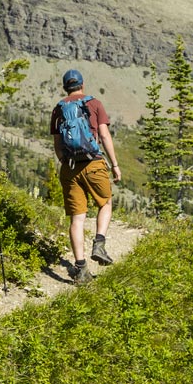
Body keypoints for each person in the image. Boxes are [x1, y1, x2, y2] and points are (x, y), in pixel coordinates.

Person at [50, 69, 121, 285]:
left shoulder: (59, 108)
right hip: (93, 163)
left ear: (65, 87)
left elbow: (57, 145)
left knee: (77, 218)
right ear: (82, 84)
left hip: (70, 167)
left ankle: (80, 269)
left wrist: (66, 163)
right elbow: (104, 135)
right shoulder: (94, 103)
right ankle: (99, 243)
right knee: (105, 203)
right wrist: (114, 164)